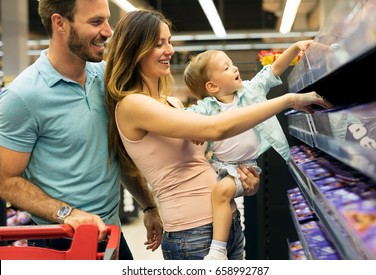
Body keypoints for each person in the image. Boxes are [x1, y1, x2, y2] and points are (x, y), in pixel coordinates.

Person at [104, 9, 332, 260]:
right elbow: (216, 128)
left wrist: (245, 186)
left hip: (228, 228)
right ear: (136, 49)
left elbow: (203, 161)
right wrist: (288, 100)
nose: (169, 50)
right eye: (159, 44)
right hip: (193, 237)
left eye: (169, 41)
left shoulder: (172, 104)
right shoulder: (132, 105)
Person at [0, 0, 162, 260]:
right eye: (96, 22)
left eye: (107, 20)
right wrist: (68, 213)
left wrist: (149, 205)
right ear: (59, 23)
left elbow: (114, 153)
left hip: (112, 235)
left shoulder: (106, 77)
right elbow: (6, 180)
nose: (109, 31)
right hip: (59, 242)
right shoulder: (22, 97)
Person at [182, 41, 313, 259]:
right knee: (217, 194)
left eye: (232, 64)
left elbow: (273, 70)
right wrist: (192, 129)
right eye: (226, 67)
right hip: (218, 167)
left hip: (247, 167)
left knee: (221, 192)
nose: (234, 68)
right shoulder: (206, 107)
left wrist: (295, 47)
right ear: (212, 86)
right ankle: (222, 245)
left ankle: (217, 251)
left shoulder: (250, 90)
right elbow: (186, 116)